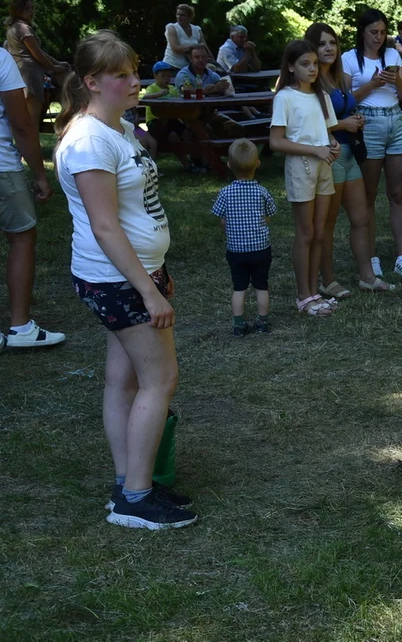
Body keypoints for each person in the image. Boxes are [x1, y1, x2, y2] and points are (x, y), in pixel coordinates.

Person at [53, 31, 195, 529]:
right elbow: (105, 226)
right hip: (118, 280)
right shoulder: (90, 140)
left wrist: (154, 273)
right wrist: (148, 289)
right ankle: (134, 498)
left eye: (135, 72)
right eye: (121, 75)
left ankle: (128, 481)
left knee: (124, 379)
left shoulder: (115, 130)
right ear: (91, 82)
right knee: (161, 379)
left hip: (129, 276)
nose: (135, 82)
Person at [305, 22, 392, 294]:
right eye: (321, 44)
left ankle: (367, 276)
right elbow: (307, 123)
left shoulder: (341, 78)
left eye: (332, 43)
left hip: (350, 153)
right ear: (312, 48)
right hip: (328, 157)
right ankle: (327, 280)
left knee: (361, 216)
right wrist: (344, 125)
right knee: (327, 223)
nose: (328, 48)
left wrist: (356, 119)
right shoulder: (310, 80)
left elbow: (344, 109)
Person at [342, 9, 402, 278]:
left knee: (397, 194)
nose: (379, 37)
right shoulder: (349, 59)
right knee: (369, 195)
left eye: (383, 32)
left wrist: (397, 79)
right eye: (374, 32)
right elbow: (346, 100)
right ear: (361, 32)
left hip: (395, 121)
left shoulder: (393, 55)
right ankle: (371, 256)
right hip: (367, 123)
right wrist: (373, 84)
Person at [270, 39, 341, 317]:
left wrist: (332, 144)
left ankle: (314, 291)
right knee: (306, 231)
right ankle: (304, 295)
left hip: (324, 165)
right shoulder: (285, 97)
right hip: (302, 166)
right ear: (290, 66)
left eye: (314, 63)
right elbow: (276, 141)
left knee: (320, 231)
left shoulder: (321, 96)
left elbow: (328, 132)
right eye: (305, 64)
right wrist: (316, 149)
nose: (312, 69)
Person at [0, 45, 64, 348]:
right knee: (22, 237)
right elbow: (22, 124)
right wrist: (40, 174)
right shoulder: (1, 58)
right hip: (2, 167)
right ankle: (20, 327)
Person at [212, 139, 276, 336]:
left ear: (229, 165)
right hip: (260, 249)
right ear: (257, 163)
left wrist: (229, 229)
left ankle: (239, 325)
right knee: (261, 286)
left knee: (239, 287)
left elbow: (221, 220)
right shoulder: (262, 192)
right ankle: (262, 323)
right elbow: (269, 215)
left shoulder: (225, 193)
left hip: (236, 250)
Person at [4, 0, 72, 130]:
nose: (31, 12)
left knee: (26, 120)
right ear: (18, 10)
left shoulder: (13, 27)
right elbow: (38, 55)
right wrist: (54, 68)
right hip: (30, 75)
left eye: (32, 8)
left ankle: (25, 150)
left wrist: (58, 62)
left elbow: (39, 51)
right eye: (27, 9)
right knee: (33, 119)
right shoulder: (23, 28)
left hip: (20, 73)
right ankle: (33, 151)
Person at [162, 3, 206, 71]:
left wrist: (212, 62)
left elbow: (204, 48)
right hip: (172, 66)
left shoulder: (197, 30)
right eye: (177, 14)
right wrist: (194, 47)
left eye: (182, 15)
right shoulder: (172, 28)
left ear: (190, 17)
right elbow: (175, 48)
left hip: (190, 68)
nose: (179, 17)